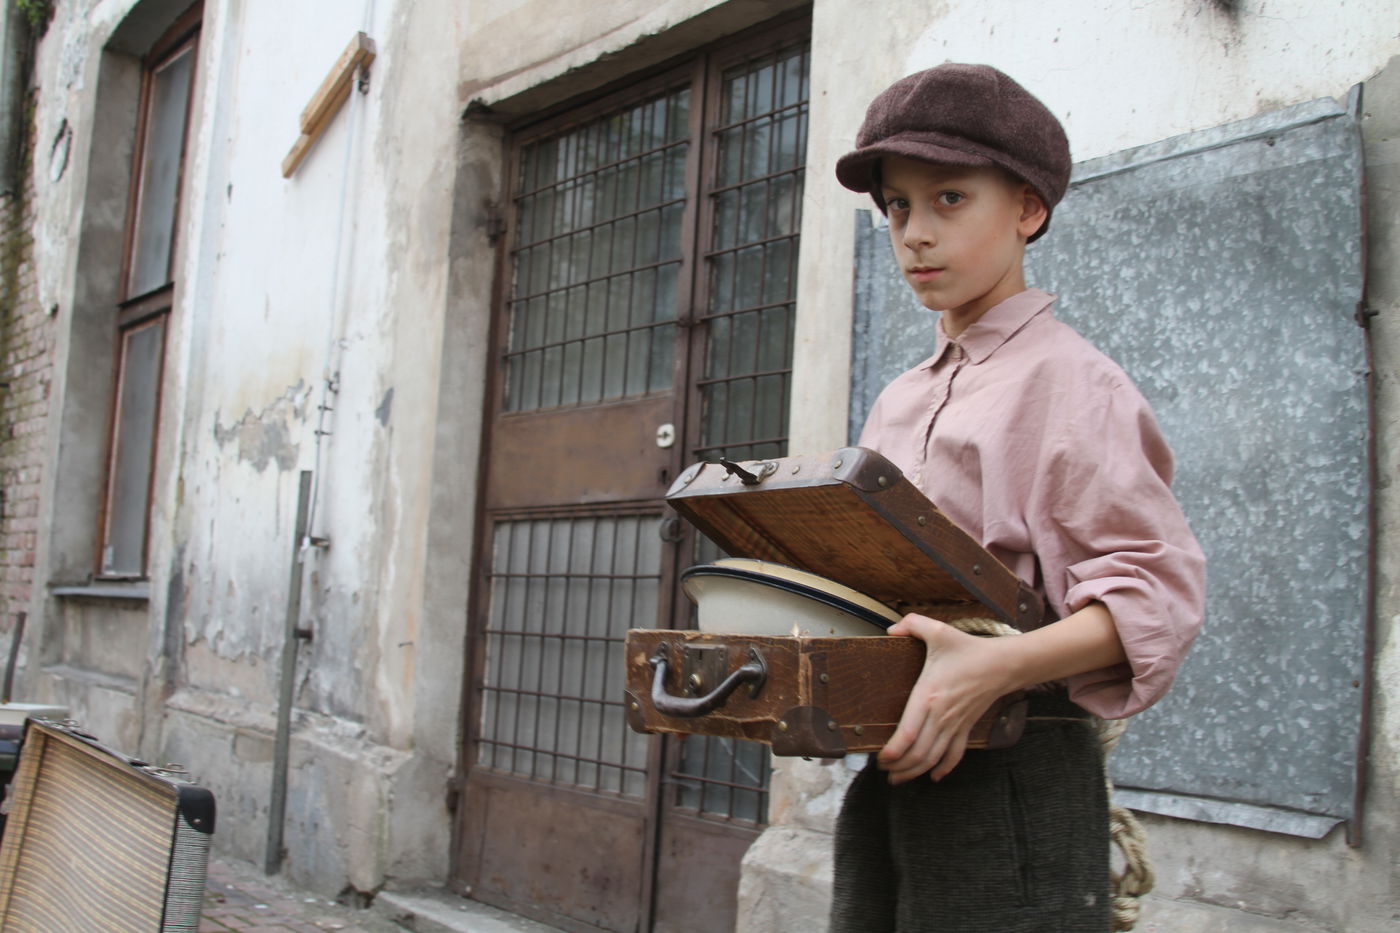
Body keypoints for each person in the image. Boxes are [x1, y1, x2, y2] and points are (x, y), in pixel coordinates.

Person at [827, 64, 1207, 931]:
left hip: (1018, 773)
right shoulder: (900, 398)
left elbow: (1158, 596)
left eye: (950, 199)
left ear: (1028, 209)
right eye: (897, 209)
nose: (915, 233)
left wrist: (994, 665)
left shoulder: (1075, 383)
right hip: (900, 761)